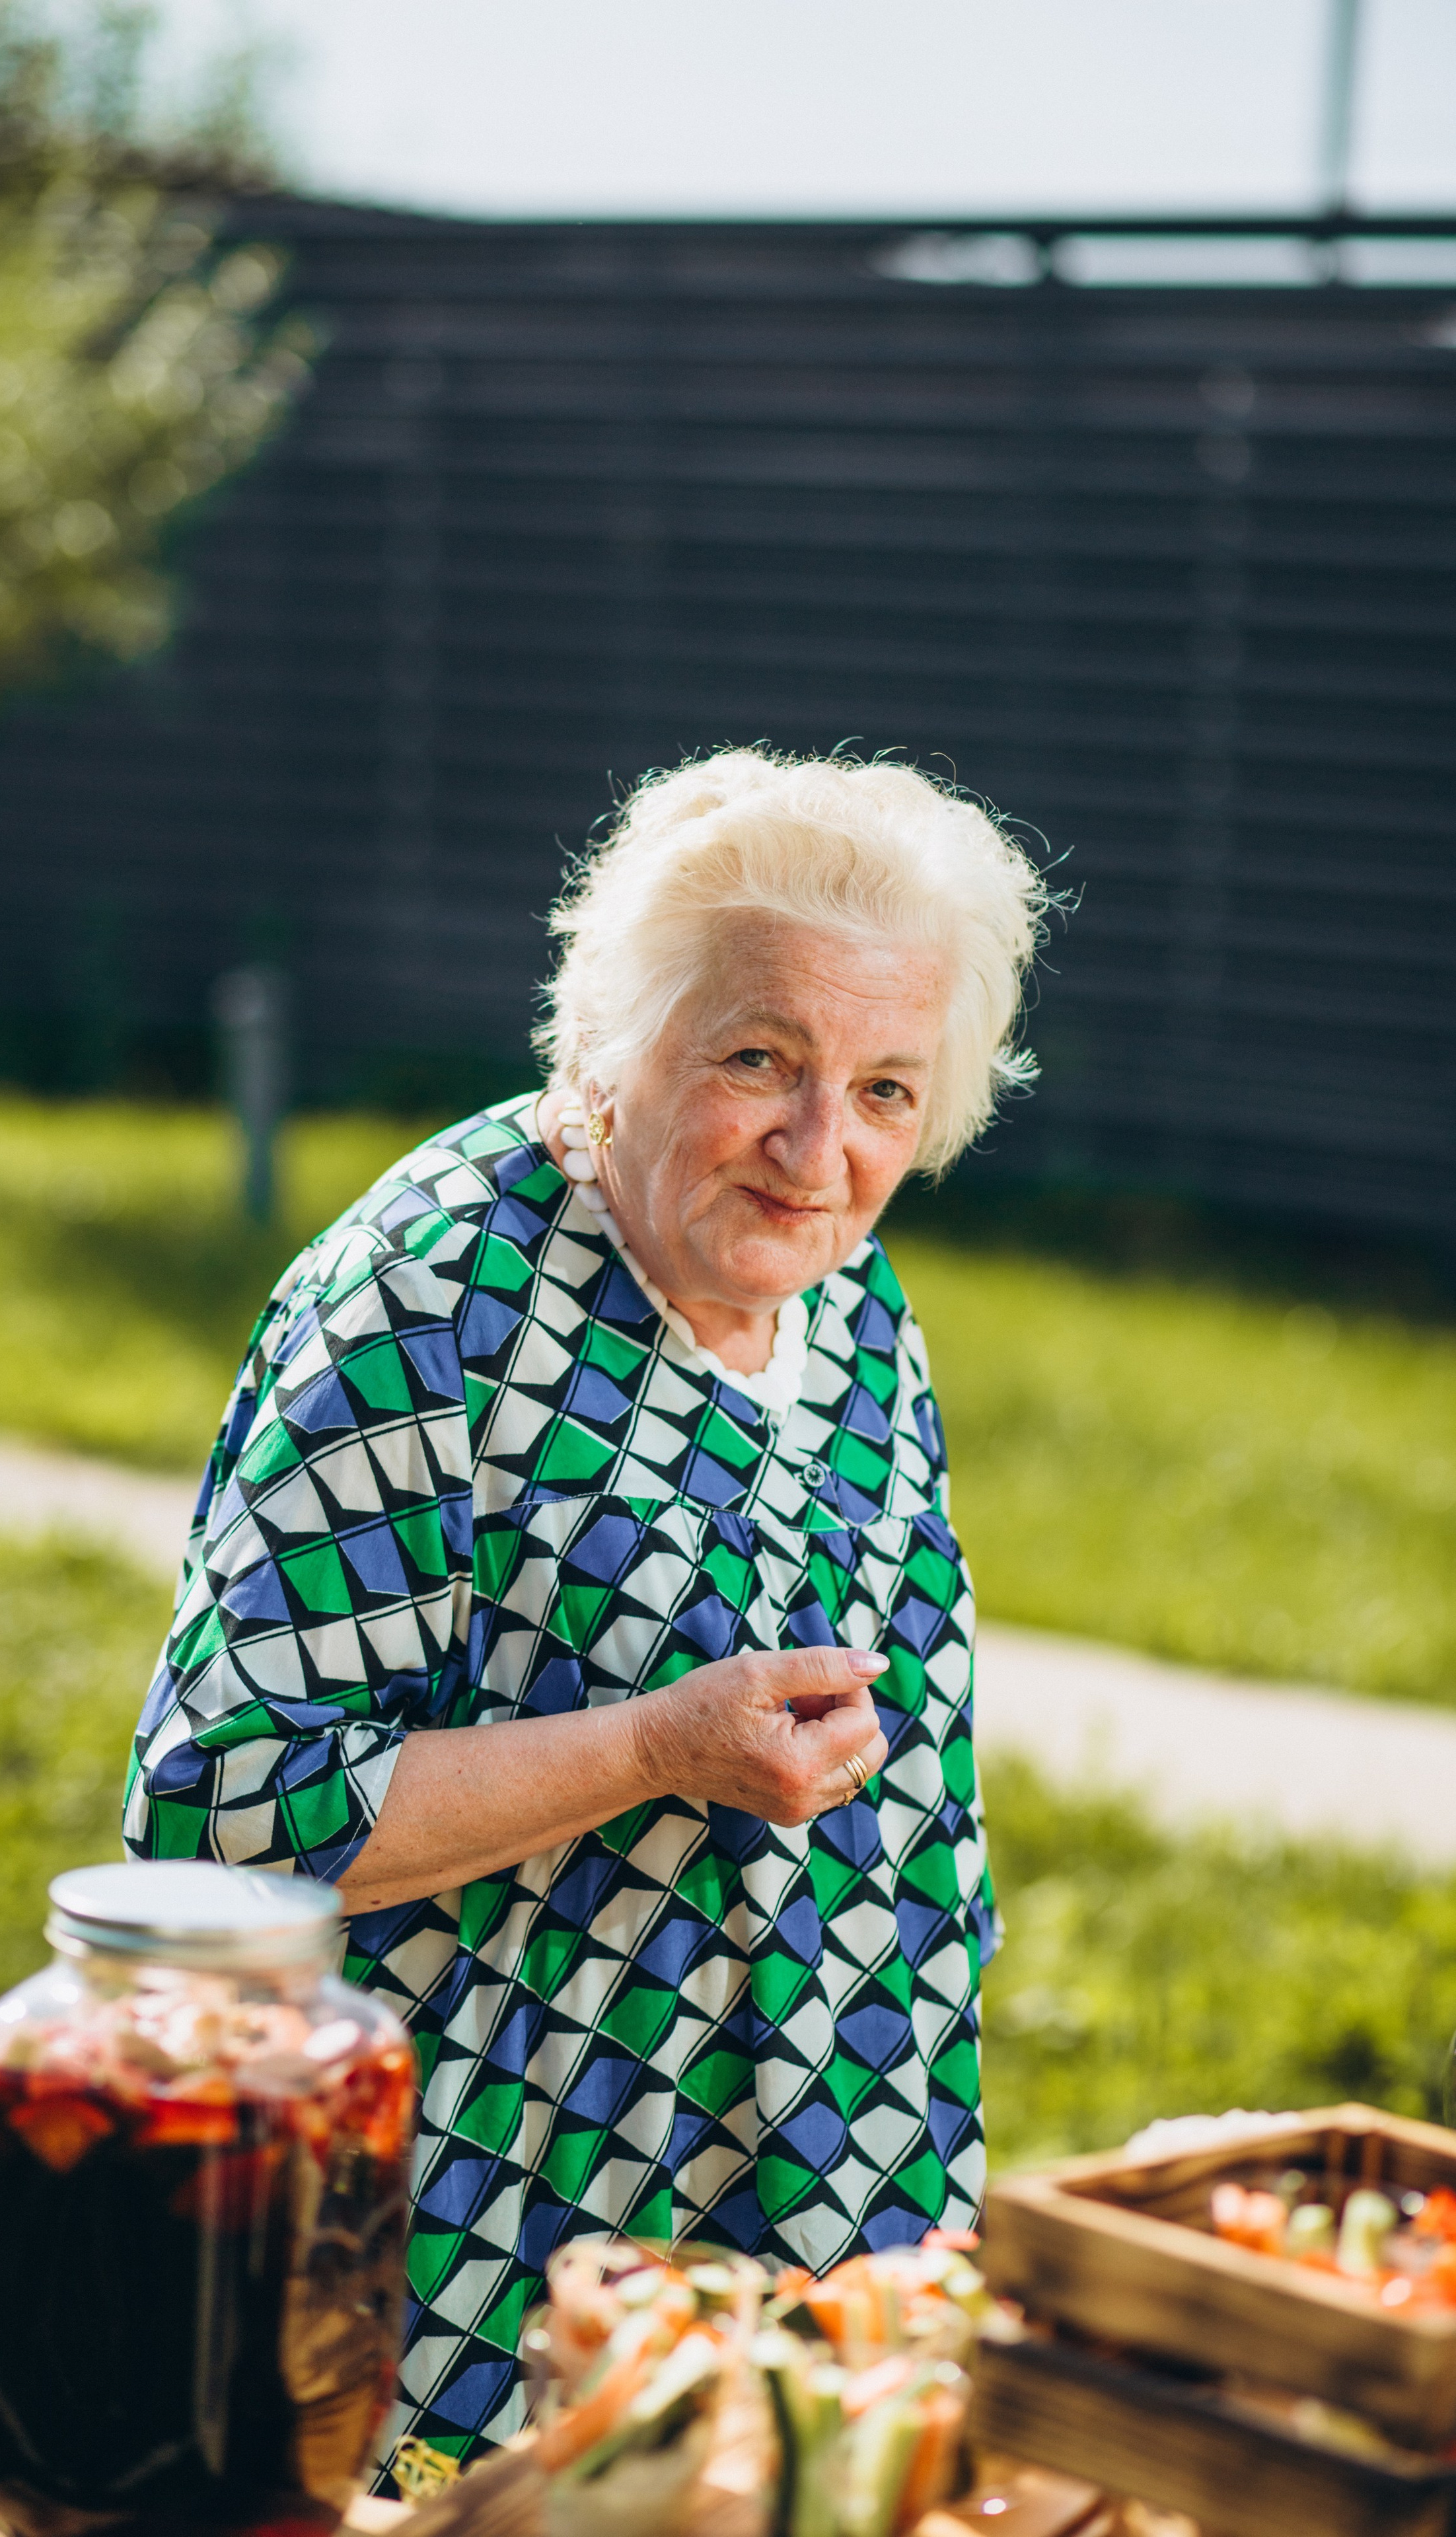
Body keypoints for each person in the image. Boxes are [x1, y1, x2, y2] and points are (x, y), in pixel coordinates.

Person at [124, 746, 1046, 2464]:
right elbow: (222, 1820)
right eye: (759, 1059)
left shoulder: (852, 1308)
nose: (819, 1147)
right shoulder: (427, 1304)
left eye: (888, 1091)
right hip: (478, 2238)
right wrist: (652, 1747)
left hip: (823, 2183)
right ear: (608, 1049)